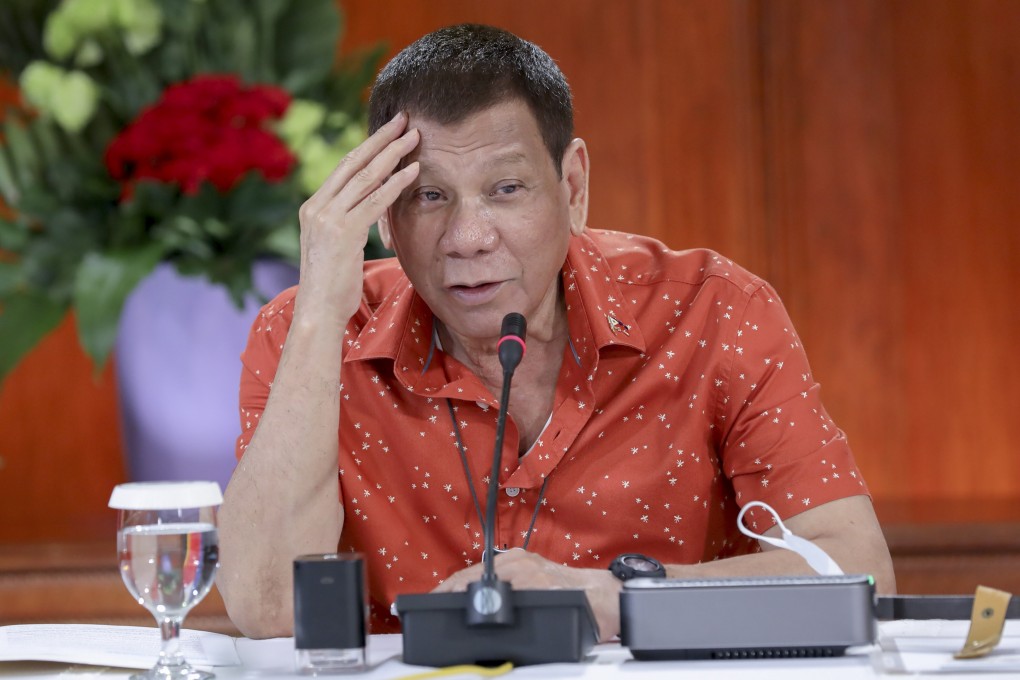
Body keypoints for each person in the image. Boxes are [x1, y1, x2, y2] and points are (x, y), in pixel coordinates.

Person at [218, 23, 895, 641]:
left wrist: (609, 599)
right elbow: (267, 608)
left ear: (572, 186)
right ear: (385, 218)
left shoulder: (714, 313)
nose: (469, 238)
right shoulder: (306, 332)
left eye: (506, 189)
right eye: (429, 196)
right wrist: (317, 316)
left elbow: (859, 577)